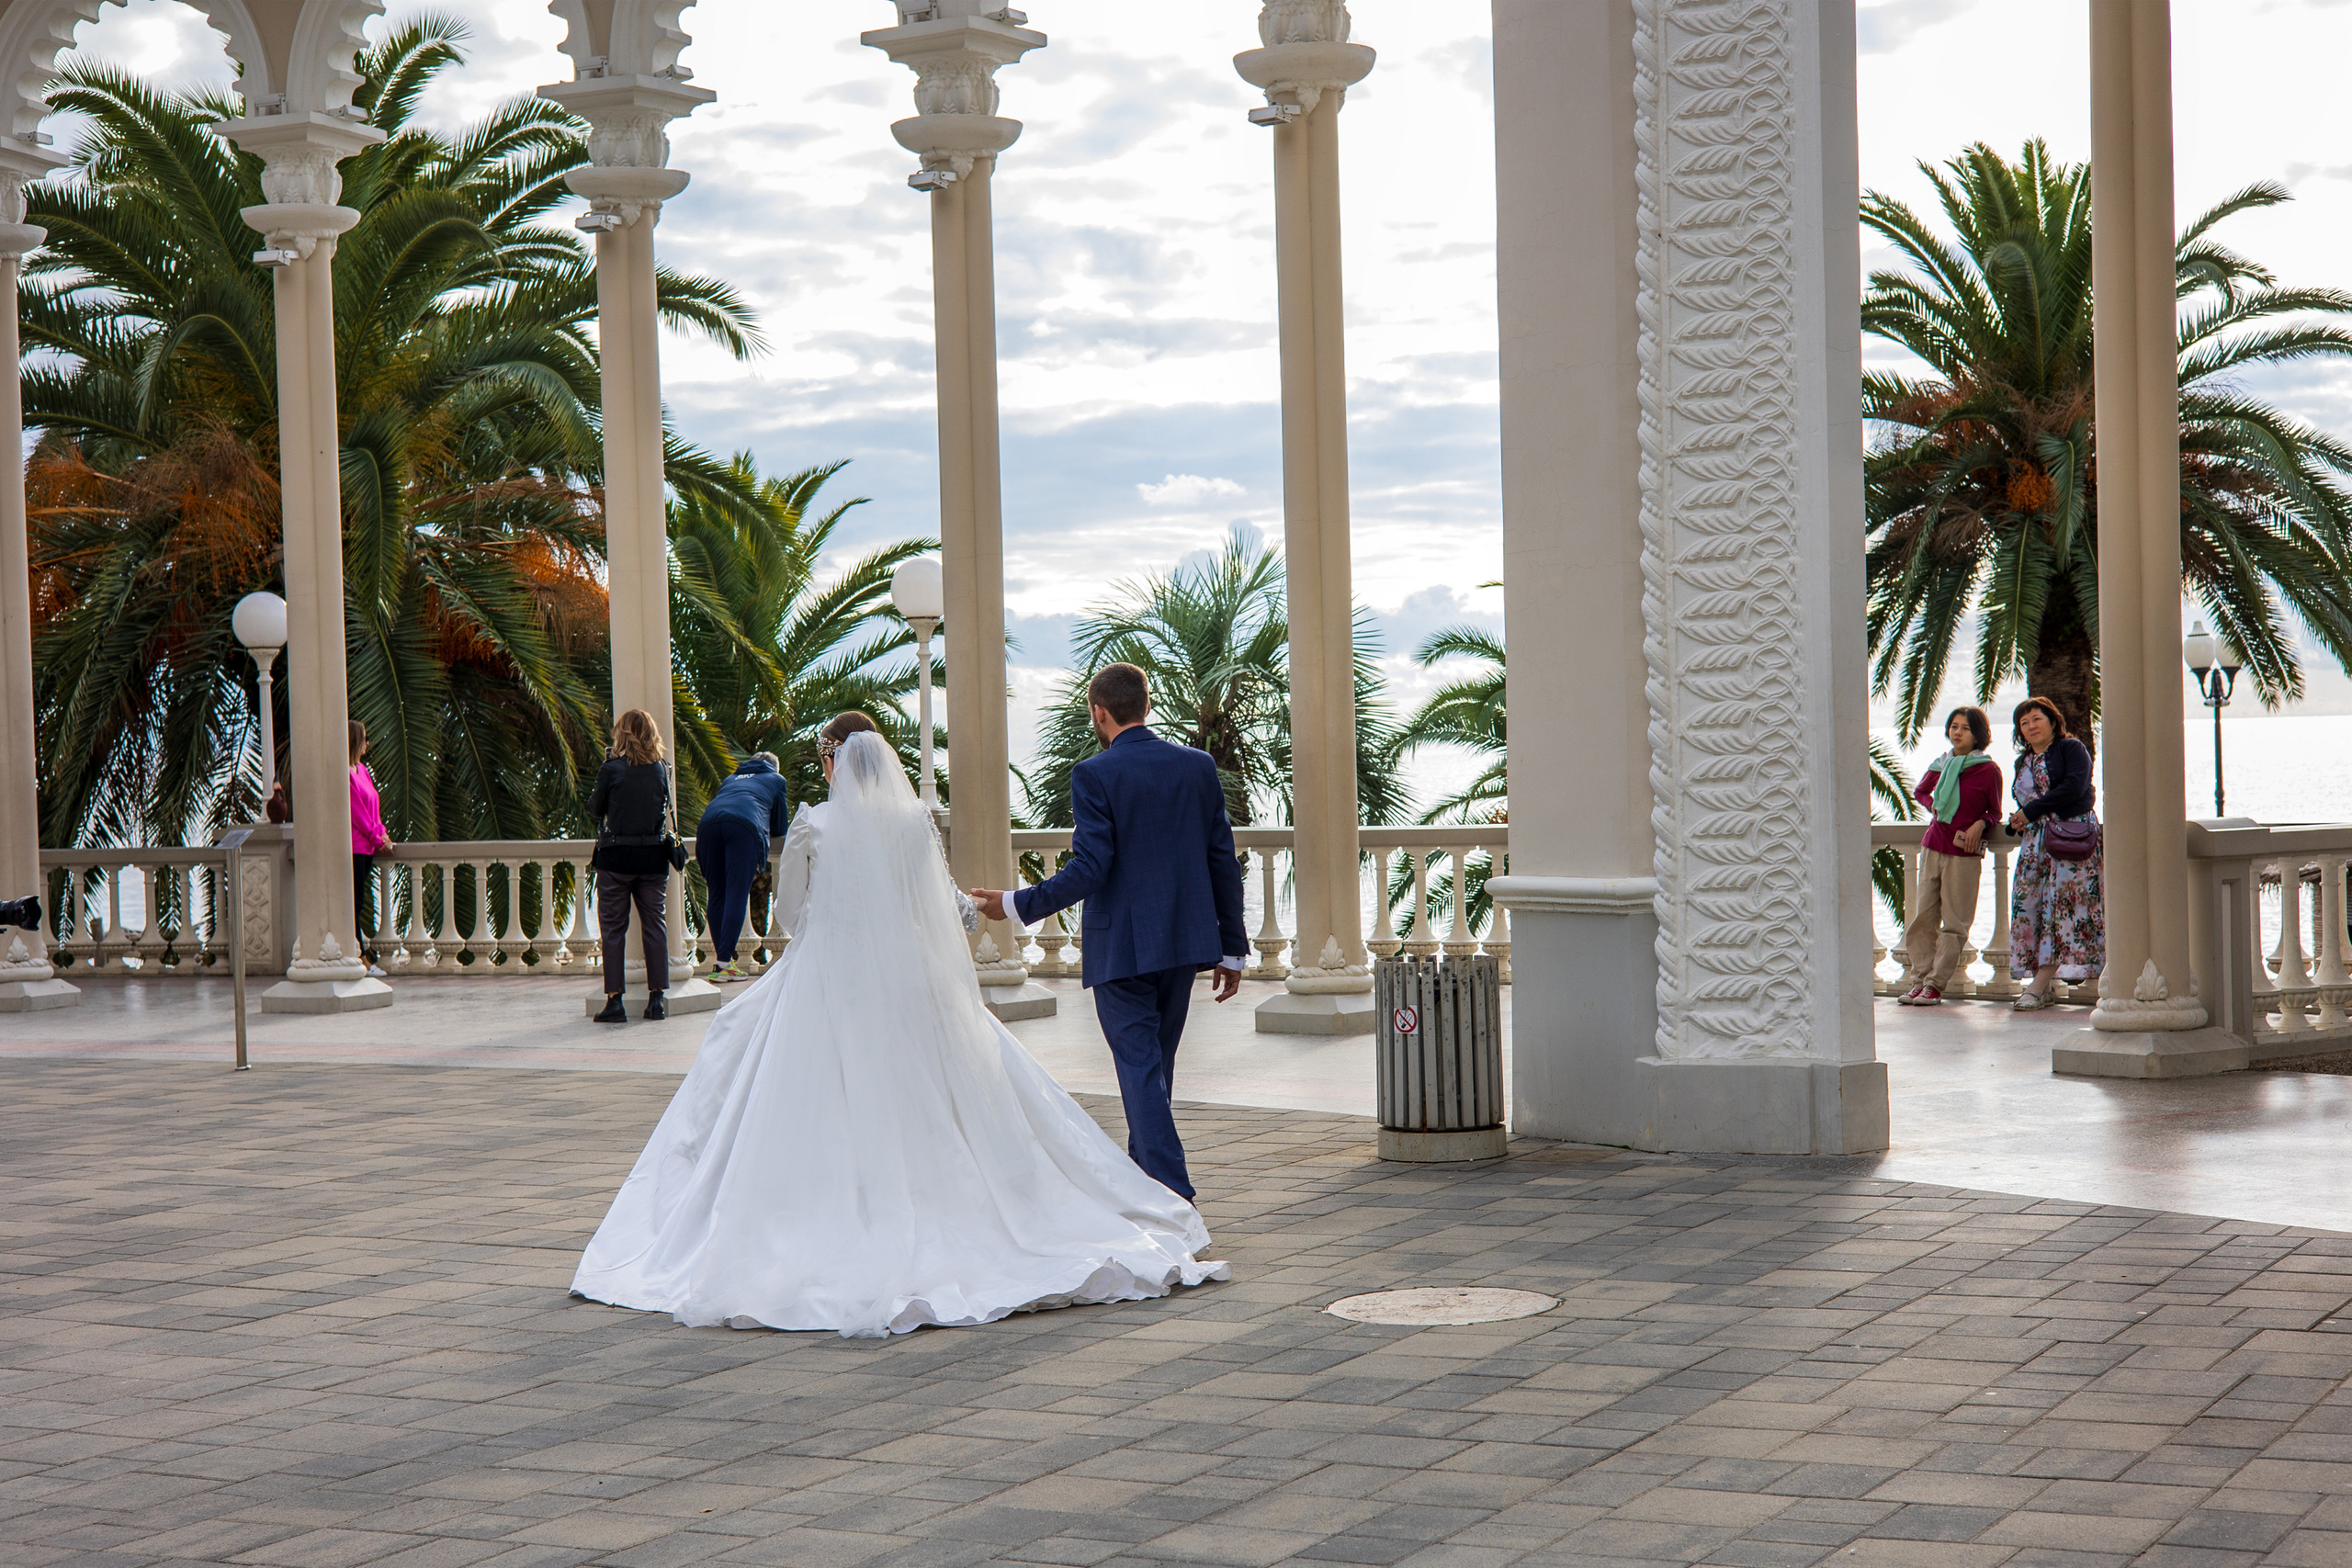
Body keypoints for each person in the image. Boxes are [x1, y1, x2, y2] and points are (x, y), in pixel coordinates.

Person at [571, 717, 1227, 1337]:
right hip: (913, 979)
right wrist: (981, 906)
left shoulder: (814, 823)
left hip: (829, 979)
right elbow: (948, 911)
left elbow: (793, 915)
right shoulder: (914, 821)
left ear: (834, 759)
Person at [971, 663, 1249, 1202]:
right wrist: (1232, 948)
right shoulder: (1197, 766)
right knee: (1155, 1068)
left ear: (1099, 712)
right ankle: (1148, 1182)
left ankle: (1172, 1193)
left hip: (1122, 949)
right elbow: (1223, 860)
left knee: (1141, 1069)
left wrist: (1014, 903)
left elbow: (1090, 868)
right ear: (1146, 705)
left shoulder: (1094, 774)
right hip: (1182, 946)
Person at [1898, 707, 2004, 1006]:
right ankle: (1919, 981)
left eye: (1965, 728)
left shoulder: (1988, 770)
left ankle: (1935, 985)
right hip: (1933, 844)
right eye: (1954, 726)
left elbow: (1995, 812)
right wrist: (1935, 806)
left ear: (1978, 735)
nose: (1957, 732)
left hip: (1963, 852)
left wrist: (1981, 823)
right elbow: (1921, 791)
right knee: (1923, 918)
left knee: (1955, 922)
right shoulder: (1942, 764)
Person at [2006, 695, 2103, 1010]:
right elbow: (2026, 800)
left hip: (2068, 841)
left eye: (2037, 718)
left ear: (2052, 721)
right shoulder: (2023, 761)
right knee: (2030, 909)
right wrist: (2021, 817)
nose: (2031, 726)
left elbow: (2075, 787)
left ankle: (2038, 986)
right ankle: (2043, 986)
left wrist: (2031, 810)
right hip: (2034, 846)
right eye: (2024, 722)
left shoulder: (2071, 748)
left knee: (2061, 912)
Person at [590, 709, 674, 1022]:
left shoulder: (611, 768)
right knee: (655, 925)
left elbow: (594, 809)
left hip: (616, 858)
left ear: (621, 734)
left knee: (613, 930)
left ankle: (615, 1002)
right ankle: (657, 1000)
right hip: (653, 858)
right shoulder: (661, 768)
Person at [697, 750, 793, 983]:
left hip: (708, 826)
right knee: (736, 893)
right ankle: (724, 966)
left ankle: (722, 963)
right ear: (774, 767)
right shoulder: (776, 779)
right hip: (743, 827)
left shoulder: (730, 779)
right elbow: (780, 826)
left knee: (716, 894)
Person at [349, 720, 391, 978]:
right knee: (355, 903)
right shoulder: (346, 775)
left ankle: (361, 957)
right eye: (364, 739)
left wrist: (382, 832)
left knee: (359, 902)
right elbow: (358, 814)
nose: (367, 744)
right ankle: (360, 958)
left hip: (367, 849)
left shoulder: (362, 770)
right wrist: (378, 837)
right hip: (355, 848)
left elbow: (373, 807)